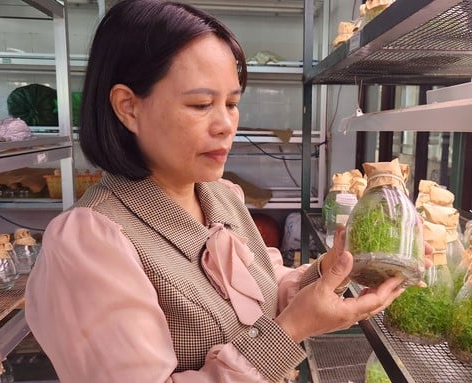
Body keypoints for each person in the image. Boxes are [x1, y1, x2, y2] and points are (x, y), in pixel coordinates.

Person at [25, 1, 427, 382]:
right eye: (201, 105)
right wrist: (290, 332)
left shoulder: (220, 195)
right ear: (128, 107)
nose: (226, 125)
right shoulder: (91, 241)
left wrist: (333, 271)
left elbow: (265, 293)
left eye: (231, 103)